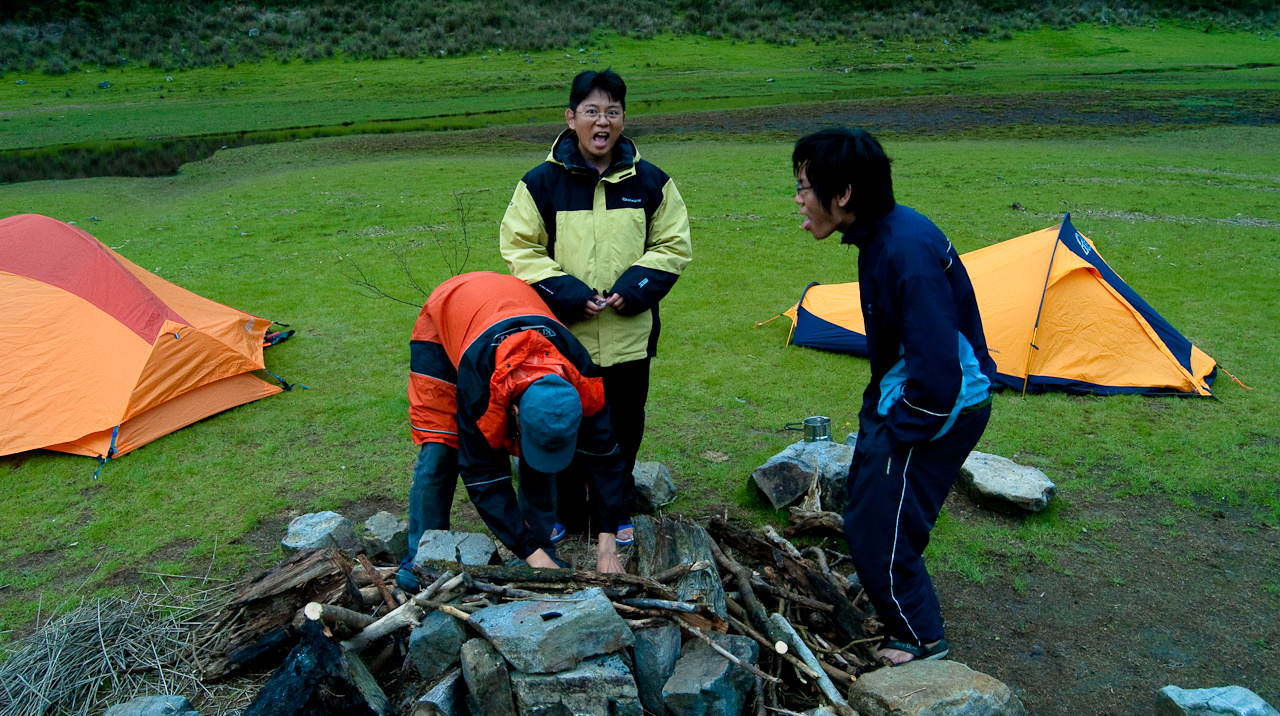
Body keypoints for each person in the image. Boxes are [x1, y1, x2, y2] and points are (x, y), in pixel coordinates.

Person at [792, 128, 997, 666]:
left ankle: (919, 638)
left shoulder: (904, 250)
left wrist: (899, 432)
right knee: (869, 507)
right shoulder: (881, 236)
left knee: (882, 526)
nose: (798, 199)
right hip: (907, 394)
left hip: (940, 407)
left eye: (804, 187)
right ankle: (900, 606)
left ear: (843, 195)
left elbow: (940, 371)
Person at [499, 69, 692, 544]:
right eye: (591, 111)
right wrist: (565, 292)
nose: (601, 121)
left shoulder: (651, 182)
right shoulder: (541, 183)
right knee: (566, 425)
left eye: (612, 111)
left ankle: (616, 510)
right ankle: (565, 509)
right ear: (571, 118)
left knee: (624, 429)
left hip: (629, 337)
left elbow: (673, 244)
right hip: (565, 341)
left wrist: (636, 285)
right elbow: (519, 247)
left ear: (623, 118)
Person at [397, 271, 629, 591]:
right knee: (441, 447)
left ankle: (542, 549)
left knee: (541, 448)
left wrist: (607, 548)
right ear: (515, 412)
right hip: (447, 319)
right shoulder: (478, 386)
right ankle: (421, 560)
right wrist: (529, 554)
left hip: (507, 310)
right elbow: (484, 478)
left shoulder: (582, 377)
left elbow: (605, 461)